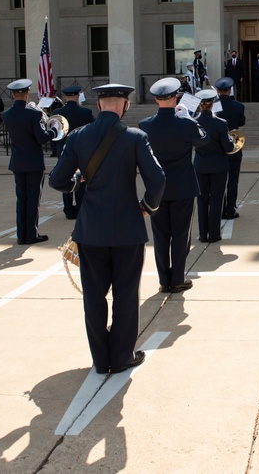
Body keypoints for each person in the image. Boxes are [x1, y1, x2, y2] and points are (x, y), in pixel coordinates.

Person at [48, 84, 164, 375]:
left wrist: (76, 181)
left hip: (91, 230)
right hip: (127, 229)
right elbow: (158, 180)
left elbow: (57, 180)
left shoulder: (77, 136)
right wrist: (147, 207)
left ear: (99, 105)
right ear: (124, 105)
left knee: (94, 296)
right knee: (126, 295)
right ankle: (122, 355)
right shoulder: (136, 137)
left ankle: (101, 360)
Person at [138, 78, 208, 293]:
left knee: (160, 236)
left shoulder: (145, 125)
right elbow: (204, 140)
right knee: (180, 234)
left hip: (156, 190)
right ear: (176, 98)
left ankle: (163, 280)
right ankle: (177, 278)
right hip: (182, 188)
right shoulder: (185, 124)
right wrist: (190, 120)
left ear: (156, 99)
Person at [2, 78, 59, 245]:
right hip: (33, 162)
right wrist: (54, 129)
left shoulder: (7, 115)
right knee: (33, 198)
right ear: (27, 94)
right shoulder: (33, 114)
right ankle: (31, 234)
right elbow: (41, 138)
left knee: (22, 199)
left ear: (13, 95)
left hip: (18, 161)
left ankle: (21, 235)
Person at [193, 89, 235, 243]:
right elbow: (228, 148)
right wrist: (231, 140)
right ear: (213, 104)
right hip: (218, 165)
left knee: (202, 199)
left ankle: (203, 234)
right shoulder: (220, 123)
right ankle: (214, 234)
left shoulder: (194, 122)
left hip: (200, 164)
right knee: (216, 199)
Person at [53, 84, 95, 219]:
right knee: (81, 180)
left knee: (65, 178)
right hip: (81, 150)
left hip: (63, 149)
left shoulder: (57, 113)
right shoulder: (86, 112)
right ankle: (79, 208)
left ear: (65, 97)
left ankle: (68, 210)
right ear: (78, 96)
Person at [215, 77, 246, 218]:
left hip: (217, 145)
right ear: (230, 90)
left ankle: (220, 208)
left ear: (217, 91)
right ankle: (230, 209)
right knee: (233, 179)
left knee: (219, 180)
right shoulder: (238, 106)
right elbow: (241, 122)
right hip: (234, 142)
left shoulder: (213, 105)